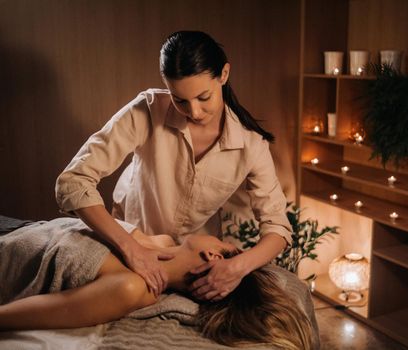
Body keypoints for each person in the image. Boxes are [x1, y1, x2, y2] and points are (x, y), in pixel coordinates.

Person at [55, 30, 292, 301]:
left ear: (223, 75)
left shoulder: (252, 145)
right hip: (130, 252)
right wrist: (132, 249)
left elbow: (277, 228)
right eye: (180, 100)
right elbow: (73, 182)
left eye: (204, 97)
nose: (194, 112)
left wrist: (238, 267)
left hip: (192, 269)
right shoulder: (147, 110)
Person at [0, 218, 313, 350]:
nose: (218, 234)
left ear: (213, 254)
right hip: (20, 226)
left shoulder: (132, 288)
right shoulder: (156, 241)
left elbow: (18, 314)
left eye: (223, 240)